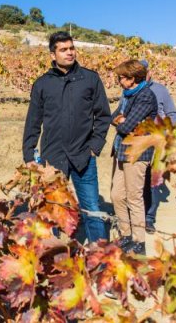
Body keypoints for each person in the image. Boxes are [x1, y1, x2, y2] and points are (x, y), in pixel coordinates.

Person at [22, 31, 111, 243]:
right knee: (52, 208)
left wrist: (94, 147)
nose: (69, 53)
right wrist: (29, 156)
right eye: (63, 50)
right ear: (53, 55)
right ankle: (52, 252)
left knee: (91, 208)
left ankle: (100, 255)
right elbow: (33, 122)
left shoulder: (90, 79)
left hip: (83, 156)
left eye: (71, 48)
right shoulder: (43, 84)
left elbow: (103, 115)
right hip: (52, 159)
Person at [110, 60, 157, 255]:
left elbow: (125, 126)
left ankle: (139, 242)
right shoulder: (127, 95)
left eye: (121, 77)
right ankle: (126, 234)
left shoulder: (145, 96)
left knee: (134, 198)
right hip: (121, 150)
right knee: (117, 195)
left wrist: (121, 120)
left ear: (132, 78)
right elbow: (113, 116)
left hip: (137, 153)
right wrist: (120, 119)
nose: (119, 81)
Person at [140, 60, 176, 234]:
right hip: (138, 141)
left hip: (157, 142)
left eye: (144, 72)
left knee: (153, 181)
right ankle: (136, 215)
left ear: (149, 72)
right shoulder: (131, 90)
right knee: (136, 180)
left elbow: (173, 115)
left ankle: (149, 218)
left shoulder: (160, 90)